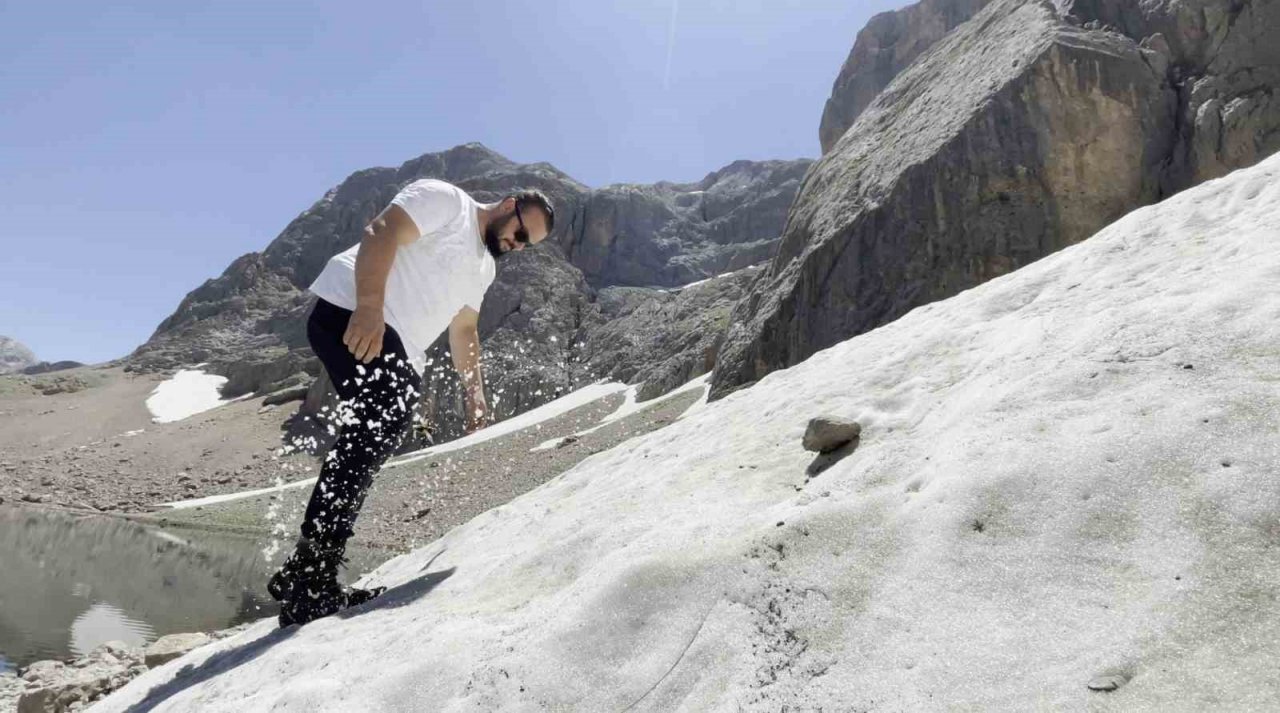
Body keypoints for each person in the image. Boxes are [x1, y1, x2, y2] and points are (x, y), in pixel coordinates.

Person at [268, 178, 555, 627]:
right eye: (521, 234)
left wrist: (474, 393)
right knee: (378, 426)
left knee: (375, 435)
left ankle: (305, 571)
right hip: (355, 311)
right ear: (508, 205)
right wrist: (368, 307)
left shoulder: (485, 269)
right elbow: (380, 232)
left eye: (527, 246)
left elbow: (464, 331)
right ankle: (310, 582)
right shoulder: (447, 200)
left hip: (397, 345)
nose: (517, 246)